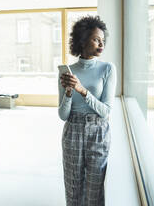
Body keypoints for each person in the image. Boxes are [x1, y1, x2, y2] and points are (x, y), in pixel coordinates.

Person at [58, 15, 116, 206]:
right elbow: (63, 115)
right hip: (72, 130)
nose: (101, 43)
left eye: (103, 40)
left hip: (98, 132)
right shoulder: (68, 71)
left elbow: (106, 111)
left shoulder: (107, 68)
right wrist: (68, 92)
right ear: (83, 41)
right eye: (96, 39)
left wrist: (82, 91)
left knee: (94, 192)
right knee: (73, 190)